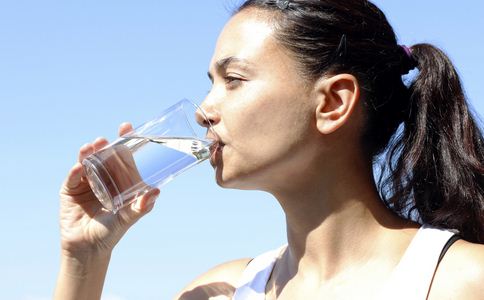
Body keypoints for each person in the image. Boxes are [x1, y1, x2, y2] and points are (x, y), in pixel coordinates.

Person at [54, 0, 484, 299]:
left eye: (234, 79)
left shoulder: (463, 281)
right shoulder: (216, 292)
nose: (204, 111)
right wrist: (85, 258)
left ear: (333, 103)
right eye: (210, 83)